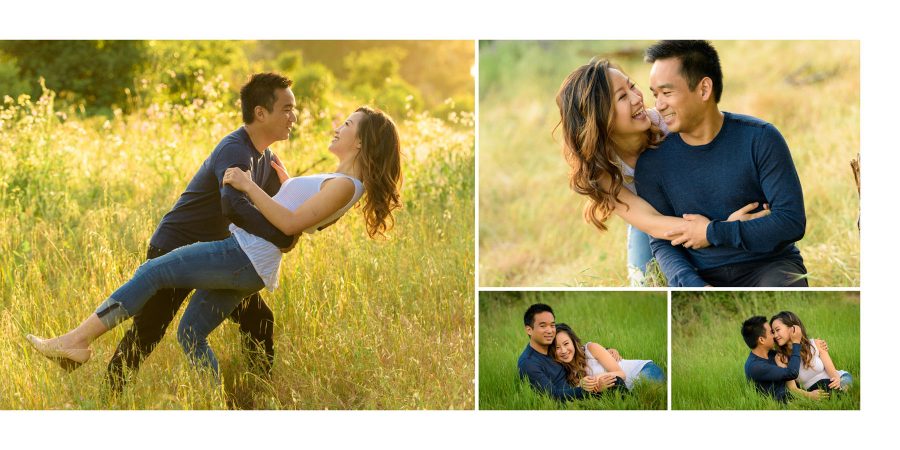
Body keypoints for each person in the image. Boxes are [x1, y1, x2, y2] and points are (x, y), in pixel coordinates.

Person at [25, 105, 403, 385]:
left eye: (348, 125)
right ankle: (214, 406)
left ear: (362, 140)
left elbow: (290, 226)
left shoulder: (345, 186)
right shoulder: (341, 181)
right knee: (191, 334)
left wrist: (246, 183)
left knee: (155, 270)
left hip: (243, 255)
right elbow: (300, 215)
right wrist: (287, 182)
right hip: (252, 263)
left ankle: (76, 341)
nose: (338, 127)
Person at [104, 72, 299, 391]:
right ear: (261, 113)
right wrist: (282, 238)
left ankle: (256, 395)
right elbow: (233, 206)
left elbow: (288, 210)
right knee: (149, 331)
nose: (294, 116)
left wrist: (292, 186)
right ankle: (111, 395)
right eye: (287, 109)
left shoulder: (269, 159)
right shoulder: (234, 150)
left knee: (258, 320)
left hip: (216, 257)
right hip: (174, 248)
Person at [556, 58, 767, 286]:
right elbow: (651, 222)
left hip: (701, 205)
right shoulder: (602, 169)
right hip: (653, 225)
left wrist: (718, 230)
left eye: (632, 86)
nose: (638, 98)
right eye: (622, 97)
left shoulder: (668, 124)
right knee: (645, 282)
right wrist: (716, 229)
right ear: (599, 118)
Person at [635, 40, 807, 287]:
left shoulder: (760, 138)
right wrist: (694, 285)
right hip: (699, 272)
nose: (659, 105)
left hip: (770, 265)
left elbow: (791, 221)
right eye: (655, 94)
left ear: (704, 89)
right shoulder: (653, 162)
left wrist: (712, 232)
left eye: (667, 92)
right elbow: (662, 241)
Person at [516, 304, 623, 401]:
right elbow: (553, 396)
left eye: (552, 325)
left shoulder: (550, 347)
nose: (549, 330)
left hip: (578, 390)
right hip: (572, 398)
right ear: (529, 330)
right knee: (614, 381)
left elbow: (575, 350)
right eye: (543, 326)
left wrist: (607, 350)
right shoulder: (528, 363)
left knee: (613, 380)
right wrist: (592, 388)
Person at [550, 323, 664, 391]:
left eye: (566, 344)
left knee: (639, 399)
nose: (563, 351)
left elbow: (621, 374)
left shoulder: (591, 349)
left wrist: (596, 380)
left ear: (573, 342)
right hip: (623, 388)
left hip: (645, 371)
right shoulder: (563, 371)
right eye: (557, 347)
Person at [770, 311, 852, 399]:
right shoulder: (781, 358)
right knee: (828, 395)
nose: (775, 335)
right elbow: (792, 389)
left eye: (777, 330)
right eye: (773, 332)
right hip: (814, 388)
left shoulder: (815, 344)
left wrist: (837, 379)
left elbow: (832, 370)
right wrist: (810, 395)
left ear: (792, 327)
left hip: (837, 378)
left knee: (841, 388)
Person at [742, 315, 804, 402]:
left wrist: (816, 345)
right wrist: (796, 343)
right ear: (761, 340)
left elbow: (793, 357)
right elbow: (792, 373)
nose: (774, 336)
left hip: (795, 395)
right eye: (771, 332)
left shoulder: (770, 353)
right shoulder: (755, 367)